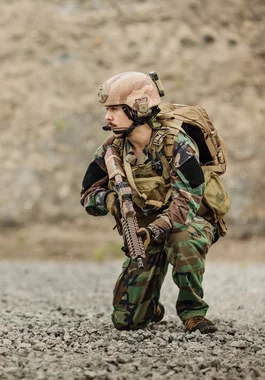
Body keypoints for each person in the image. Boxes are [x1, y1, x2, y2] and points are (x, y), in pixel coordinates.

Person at [80, 71, 218, 334]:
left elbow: (186, 203)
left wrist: (155, 229)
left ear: (138, 109)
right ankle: (150, 306)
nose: (107, 116)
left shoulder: (177, 144)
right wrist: (110, 200)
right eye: (106, 109)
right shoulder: (112, 149)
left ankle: (193, 312)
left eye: (114, 109)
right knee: (126, 322)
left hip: (188, 223)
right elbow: (87, 195)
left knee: (182, 240)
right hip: (144, 232)